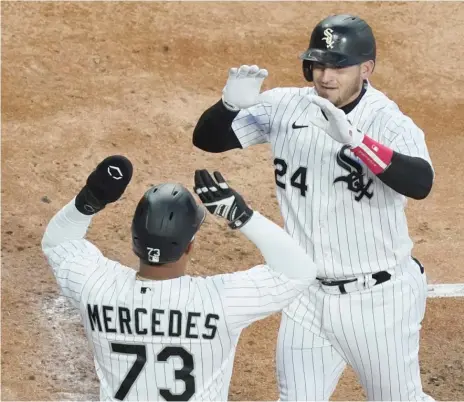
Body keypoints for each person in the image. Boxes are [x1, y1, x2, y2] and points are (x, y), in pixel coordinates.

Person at [192, 13, 435, 402]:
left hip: (377, 301)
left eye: (339, 66)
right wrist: (227, 106)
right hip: (306, 296)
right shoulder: (286, 106)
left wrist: (358, 142)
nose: (326, 76)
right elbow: (208, 140)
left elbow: (421, 182)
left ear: (366, 68)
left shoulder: (387, 120)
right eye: (319, 64)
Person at [41, 155, 319, 401]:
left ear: (134, 240)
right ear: (189, 245)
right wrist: (242, 216)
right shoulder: (220, 301)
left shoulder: (95, 287)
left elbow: (58, 243)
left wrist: (90, 200)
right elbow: (300, 270)